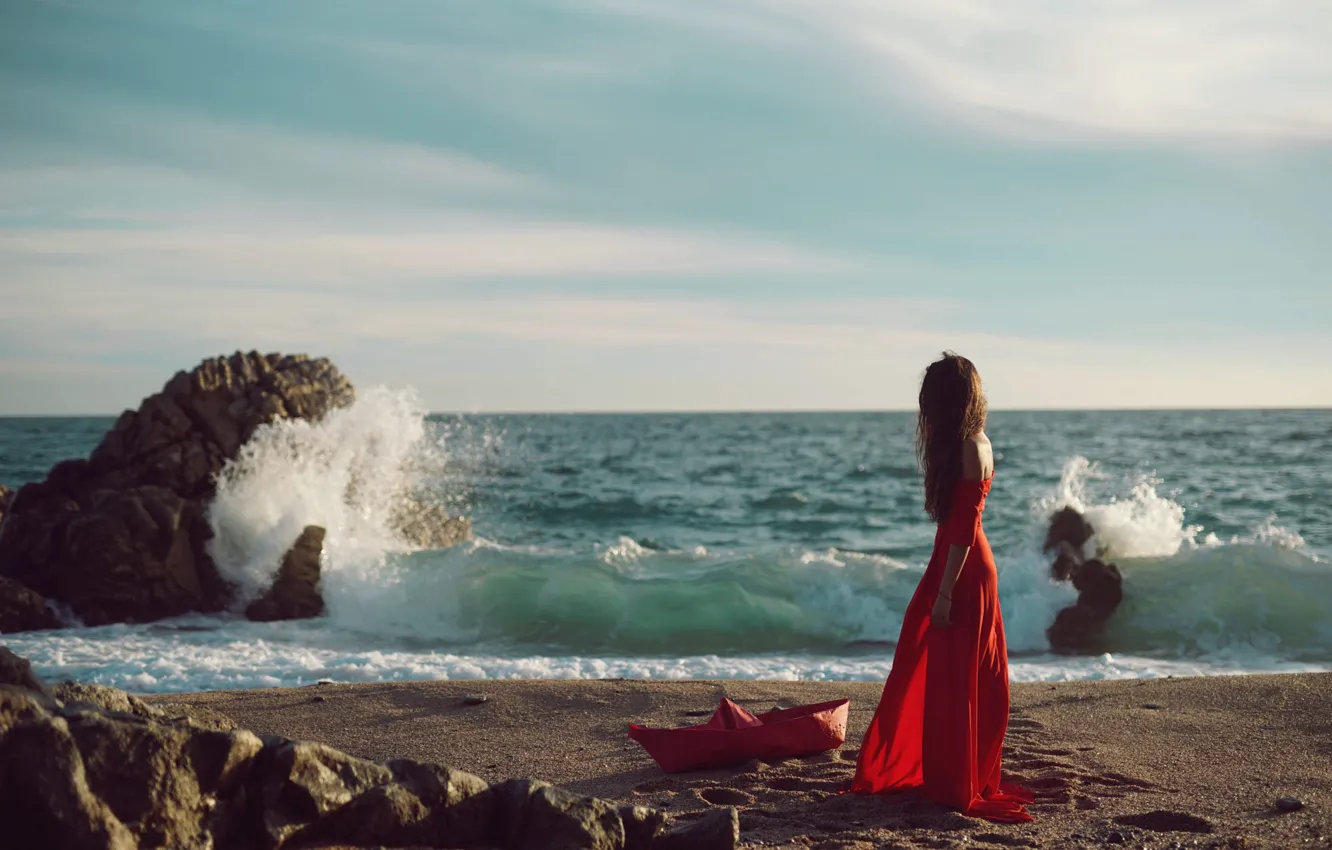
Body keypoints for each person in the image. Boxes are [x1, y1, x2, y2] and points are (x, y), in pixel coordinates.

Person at [850, 352, 1033, 823]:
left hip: (964, 568)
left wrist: (946, 591)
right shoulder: (970, 441)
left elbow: (965, 528)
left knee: (957, 677)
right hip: (957, 562)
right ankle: (945, 770)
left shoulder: (972, 447)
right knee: (938, 666)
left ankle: (957, 780)